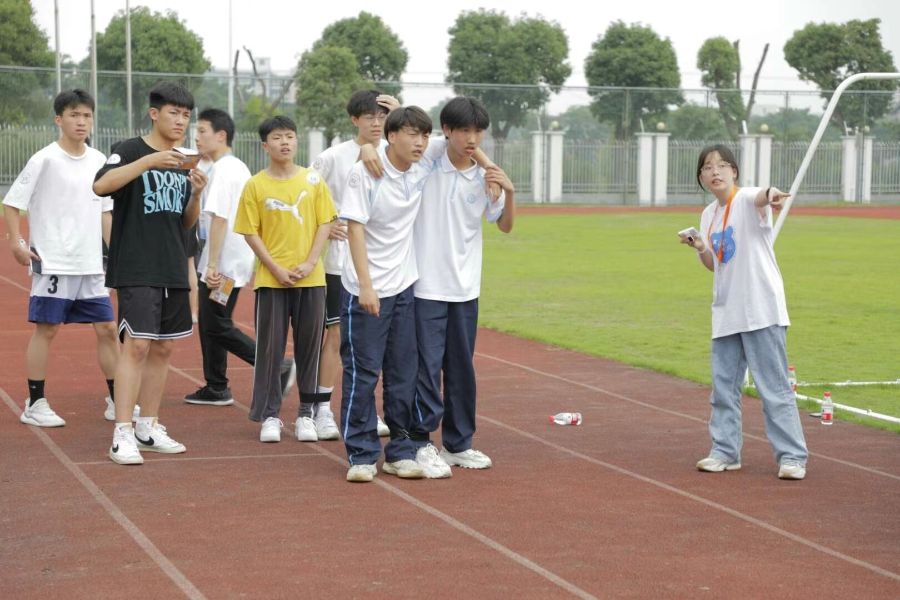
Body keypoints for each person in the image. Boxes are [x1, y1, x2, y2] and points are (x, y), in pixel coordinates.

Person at [93, 81, 208, 465]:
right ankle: (122, 432)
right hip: (137, 264)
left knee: (164, 347)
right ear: (154, 113)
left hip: (172, 264)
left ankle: (148, 426)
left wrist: (196, 194)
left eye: (186, 115)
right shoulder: (129, 150)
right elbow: (101, 185)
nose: (181, 121)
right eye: (174, 113)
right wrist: (148, 162)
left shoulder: (185, 160)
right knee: (137, 345)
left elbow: (185, 222)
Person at [681, 144, 808, 481]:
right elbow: (715, 264)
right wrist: (701, 247)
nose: (716, 171)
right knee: (723, 389)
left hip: (760, 308)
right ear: (701, 176)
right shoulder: (708, 215)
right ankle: (725, 451)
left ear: (734, 171)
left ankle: (792, 456)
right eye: (708, 167)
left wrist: (772, 195)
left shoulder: (747, 199)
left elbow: (762, 195)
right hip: (727, 310)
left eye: (723, 165)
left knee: (773, 386)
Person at [340, 106, 448, 483]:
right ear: (391, 136)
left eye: (425, 135)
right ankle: (361, 453)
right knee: (364, 374)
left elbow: (464, 141)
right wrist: (366, 285)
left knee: (403, 374)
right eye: (412, 134)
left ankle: (400, 451)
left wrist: (499, 177)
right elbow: (354, 229)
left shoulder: (421, 165)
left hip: (403, 288)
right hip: (365, 290)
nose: (420, 142)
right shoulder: (365, 171)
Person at [409, 96, 516, 477]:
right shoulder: (430, 160)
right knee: (425, 369)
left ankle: (458, 444)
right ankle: (420, 442)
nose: (472, 139)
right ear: (447, 131)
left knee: (461, 369)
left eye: (478, 131)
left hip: (466, 288)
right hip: (425, 286)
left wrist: (509, 190)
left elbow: (505, 226)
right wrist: (486, 160)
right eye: (464, 130)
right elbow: (413, 137)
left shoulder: (486, 179)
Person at [3, 89, 118, 427]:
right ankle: (35, 402)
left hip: (91, 264)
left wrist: (118, 256)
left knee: (107, 329)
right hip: (54, 260)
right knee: (48, 329)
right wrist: (16, 242)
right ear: (59, 119)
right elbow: (13, 203)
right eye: (74, 115)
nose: (81, 121)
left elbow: (106, 213)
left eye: (86, 115)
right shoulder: (45, 159)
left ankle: (118, 400)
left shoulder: (99, 161)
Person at [183, 108, 295, 407]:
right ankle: (216, 386)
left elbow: (219, 218)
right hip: (230, 259)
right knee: (211, 322)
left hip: (224, 264)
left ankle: (277, 366)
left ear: (221, 135)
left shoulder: (225, 170)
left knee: (215, 324)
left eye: (202, 131)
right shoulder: (233, 167)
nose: (197, 137)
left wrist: (212, 265)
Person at [233, 115, 335, 443]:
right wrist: (275, 268)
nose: (285, 142)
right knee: (270, 350)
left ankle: (306, 414)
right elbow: (250, 232)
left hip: (311, 280)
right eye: (277, 137)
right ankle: (270, 415)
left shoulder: (313, 181)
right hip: (271, 281)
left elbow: (326, 223)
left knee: (309, 349)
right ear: (265, 145)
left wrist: (310, 262)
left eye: (289, 136)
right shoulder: (255, 185)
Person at [309, 90, 399, 441]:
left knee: (376, 343)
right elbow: (305, 197)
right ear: (354, 119)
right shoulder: (332, 157)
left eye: (382, 116)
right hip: (339, 264)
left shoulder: (396, 154)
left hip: (384, 267)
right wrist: (326, 223)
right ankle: (322, 410)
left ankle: (366, 410)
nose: (376, 123)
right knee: (335, 336)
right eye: (369, 116)